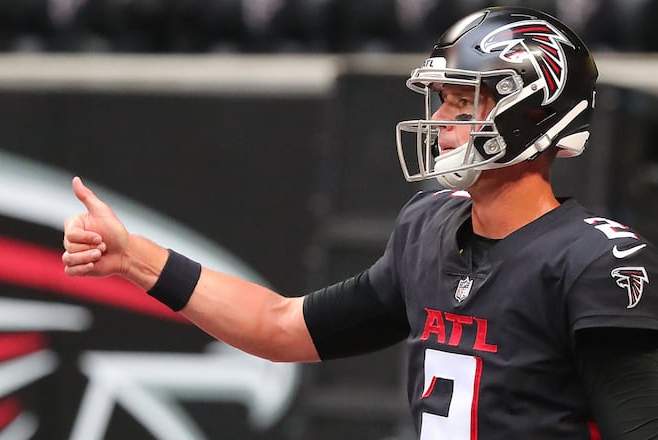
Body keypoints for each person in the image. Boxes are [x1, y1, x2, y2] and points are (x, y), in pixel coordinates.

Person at [62, 6, 658, 440]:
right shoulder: (428, 230)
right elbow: (279, 326)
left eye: (463, 102)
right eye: (443, 100)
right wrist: (134, 258)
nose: (443, 121)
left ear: (529, 115)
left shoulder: (593, 262)